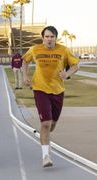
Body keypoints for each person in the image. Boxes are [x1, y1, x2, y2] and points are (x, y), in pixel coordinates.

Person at [22, 26, 79, 168]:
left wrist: (67, 74)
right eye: (46, 36)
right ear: (43, 38)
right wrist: (25, 75)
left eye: (52, 37)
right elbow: (25, 60)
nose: (49, 39)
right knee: (46, 123)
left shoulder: (63, 50)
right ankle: (45, 156)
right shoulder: (35, 49)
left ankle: (44, 135)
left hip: (58, 91)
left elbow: (75, 65)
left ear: (55, 38)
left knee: (52, 124)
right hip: (40, 89)